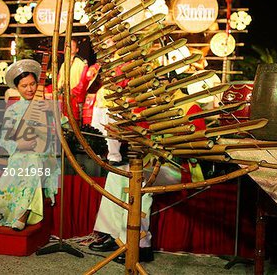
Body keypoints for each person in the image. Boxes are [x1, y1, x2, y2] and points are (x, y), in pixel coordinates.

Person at [88, 74, 206, 263]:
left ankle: (139, 245)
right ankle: (114, 235)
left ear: (174, 82)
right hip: (150, 165)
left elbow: (199, 144)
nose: (155, 88)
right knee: (116, 175)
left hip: (179, 168)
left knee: (139, 181)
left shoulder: (189, 106)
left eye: (160, 83)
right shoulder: (151, 106)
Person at [0, 59, 59, 231]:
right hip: (20, 154)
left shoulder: (46, 106)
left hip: (43, 154)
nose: (29, 89)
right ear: (17, 88)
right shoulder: (12, 110)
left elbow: (64, 127)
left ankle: (22, 214)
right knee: (20, 162)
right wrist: (19, 144)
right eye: (24, 86)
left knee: (32, 161)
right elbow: (4, 139)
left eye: (32, 84)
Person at [57, 39, 88, 122]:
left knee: (74, 122)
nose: (69, 47)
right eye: (67, 46)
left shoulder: (82, 63)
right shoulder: (64, 64)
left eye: (72, 45)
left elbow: (83, 82)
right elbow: (59, 80)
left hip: (75, 99)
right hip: (64, 98)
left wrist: (73, 92)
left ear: (77, 50)